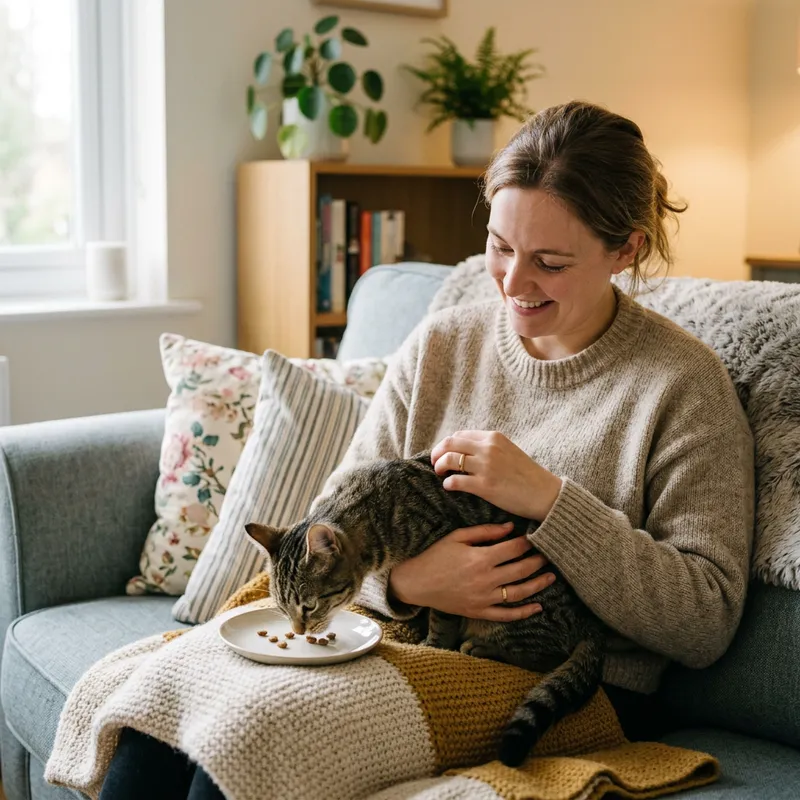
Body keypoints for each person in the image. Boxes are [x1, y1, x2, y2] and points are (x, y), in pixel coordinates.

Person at [98, 100, 755, 799]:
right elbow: (340, 515)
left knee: (239, 752)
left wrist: (552, 502)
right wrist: (407, 584)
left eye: (550, 262)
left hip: (577, 684)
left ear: (626, 248)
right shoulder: (445, 342)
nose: (513, 282)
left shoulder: (683, 384)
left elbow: (705, 619)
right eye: (500, 247)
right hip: (403, 640)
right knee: (155, 720)